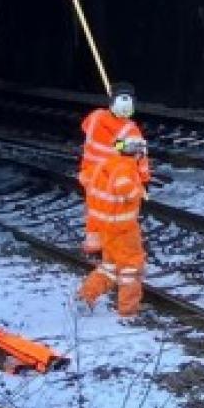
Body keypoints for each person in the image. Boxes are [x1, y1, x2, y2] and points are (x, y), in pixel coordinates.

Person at [77, 132, 149, 319]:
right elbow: (123, 186)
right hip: (124, 229)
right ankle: (128, 311)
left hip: (105, 229)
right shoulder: (126, 169)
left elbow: (84, 177)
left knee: (110, 267)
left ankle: (86, 295)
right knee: (131, 269)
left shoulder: (104, 165)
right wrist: (137, 192)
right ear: (136, 153)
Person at [79, 82, 148, 256]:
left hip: (91, 176)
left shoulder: (95, 117)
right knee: (115, 212)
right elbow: (140, 157)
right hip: (115, 180)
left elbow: (85, 126)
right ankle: (114, 243)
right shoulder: (130, 131)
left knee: (95, 209)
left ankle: (94, 241)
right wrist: (145, 180)